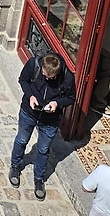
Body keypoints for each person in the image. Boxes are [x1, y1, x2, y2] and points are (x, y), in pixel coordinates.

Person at [10, 49, 76, 198]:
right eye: (44, 74)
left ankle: (39, 179)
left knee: (43, 149)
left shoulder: (67, 78)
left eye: (49, 77)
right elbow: (23, 80)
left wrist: (57, 104)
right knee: (21, 140)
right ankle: (15, 166)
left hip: (50, 119)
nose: (45, 77)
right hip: (29, 112)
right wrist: (31, 96)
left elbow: (71, 98)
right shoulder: (34, 64)